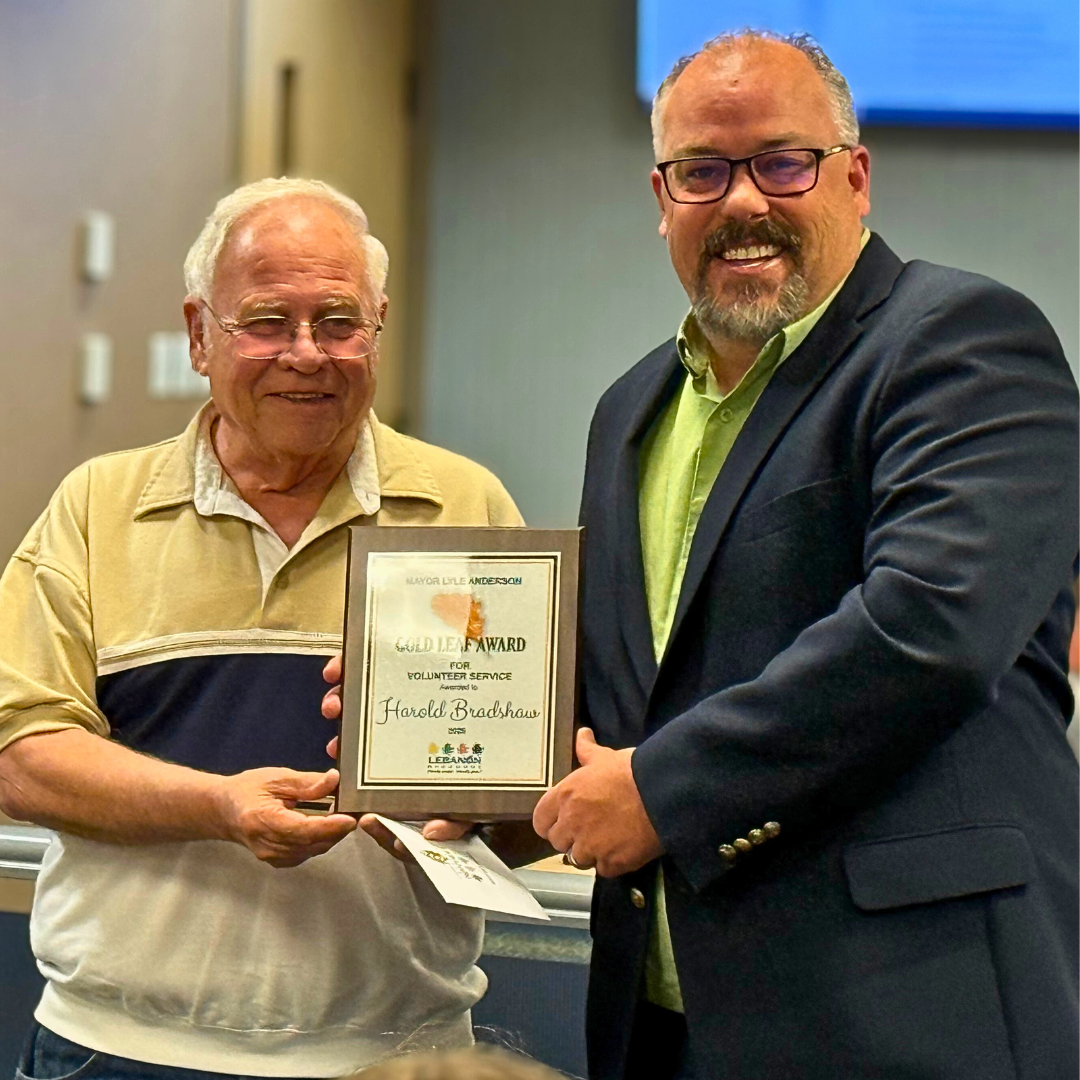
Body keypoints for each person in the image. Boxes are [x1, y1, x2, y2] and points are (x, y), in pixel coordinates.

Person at [533, 30, 1079, 1080]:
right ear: (662, 199)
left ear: (856, 178)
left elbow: (930, 630)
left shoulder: (959, 342)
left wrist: (661, 791)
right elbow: (636, 693)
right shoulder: (631, 408)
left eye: (783, 162)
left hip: (905, 1016)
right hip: (664, 1021)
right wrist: (470, 770)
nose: (742, 202)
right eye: (702, 171)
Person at [0, 178, 523, 1078]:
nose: (307, 354)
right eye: (268, 321)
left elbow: (525, 803)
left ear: (379, 328)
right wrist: (217, 808)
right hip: (116, 1050)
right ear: (201, 334)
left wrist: (454, 768)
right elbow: (21, 756)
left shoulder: (463, 507)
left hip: (395, 1054)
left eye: (338, 321)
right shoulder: (97, 508)